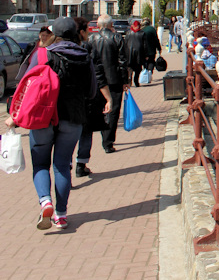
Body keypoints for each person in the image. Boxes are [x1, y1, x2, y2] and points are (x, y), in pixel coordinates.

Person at [4, 17, 95, 230]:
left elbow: (25, 85)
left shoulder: (43, 54)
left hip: (42, 117)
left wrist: (15, 114)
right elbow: (91, 91)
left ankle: (45, 201)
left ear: (55, 33)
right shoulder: (85, 56)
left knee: (41, 164)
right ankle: (61, 215)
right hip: (73, 118)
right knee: (62, 165)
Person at [74, 17, 111, 178]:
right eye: (87, 29)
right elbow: (98, 73)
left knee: (66, 135)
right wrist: (108, 97)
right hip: (87, 99)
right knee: (85, 132)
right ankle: (81, 164)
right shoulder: (87, 49)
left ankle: (65, 167)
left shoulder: (55, 49)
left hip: (65, 101)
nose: (89, 32)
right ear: (81, 32)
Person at [88, 14, 128, 156]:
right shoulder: (116, 38)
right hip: (114, 80)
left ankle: (104, 137)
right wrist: (125, 81)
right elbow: (122, 61)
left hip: (97, 81)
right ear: (111, 25)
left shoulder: (91, 39)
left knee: (100, 109)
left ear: (98, 26)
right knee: (113, 111)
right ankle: (108, 141)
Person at [124, 20, 145, 87]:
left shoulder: (129, 32)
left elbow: (125, 42)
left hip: (129, 53)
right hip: (139, 53)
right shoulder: (142, 33)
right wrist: (146, 55)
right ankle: (136, 81)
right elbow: (145, 45)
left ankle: (129, 79)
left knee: (129, 67)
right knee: (138, 68)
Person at [140, 18, 162, 83]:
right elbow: (156, 40)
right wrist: (159, 48)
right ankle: (149, 74)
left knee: (145, 62)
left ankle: (145, 73)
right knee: (151, 62)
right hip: (152, 49)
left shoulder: (141, 30)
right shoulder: (152, 29)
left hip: (143, 50)